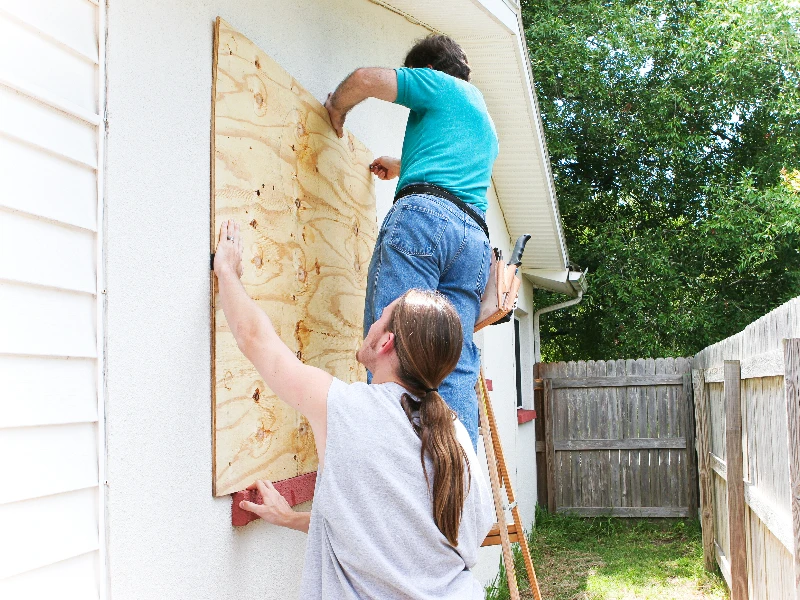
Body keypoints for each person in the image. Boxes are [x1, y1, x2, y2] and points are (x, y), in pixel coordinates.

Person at [213, 220, 494, 599]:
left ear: (386, 342)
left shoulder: (345, 410)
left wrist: (226, 271)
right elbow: (394, 535)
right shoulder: (455, 435)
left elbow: (254, 338)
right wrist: (291, 519)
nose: (372, 322)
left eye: (380, 316)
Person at [325, 34, 499, 449]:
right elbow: (450, 165)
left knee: (395, 344)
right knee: (450, 359)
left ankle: (395, 472)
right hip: (473, 242)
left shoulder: (439, 85)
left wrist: (336, 107)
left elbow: (366, 79)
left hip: (425, 223)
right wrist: (401, 165)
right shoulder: (484, 121)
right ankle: (452, 488)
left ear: (428, 69)